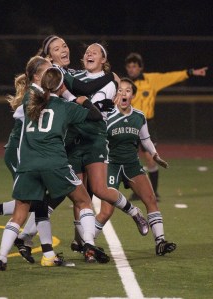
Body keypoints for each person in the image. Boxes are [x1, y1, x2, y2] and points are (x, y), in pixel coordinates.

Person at [0, 66, 110, 271]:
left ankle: (1, 258)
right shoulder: (64, 107)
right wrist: (77, 98)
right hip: (54, 164)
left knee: (19, 214)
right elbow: (96, 117)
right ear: (60, 84)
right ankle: (89, 243)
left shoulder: (30, 101)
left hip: (28, 165)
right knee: (83, 201)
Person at [58, 42, 149, 252]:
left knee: (99, 189)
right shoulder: (77, 76)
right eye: (87, 52)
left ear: (103, 60)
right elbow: (70, 82)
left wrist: (73, 98)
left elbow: (94, 110)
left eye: (95, 52)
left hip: (94, 138)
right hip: (73, 139)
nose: (89, 54)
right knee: (80, 194)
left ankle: (133, 212)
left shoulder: (108, 84)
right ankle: (82, 241)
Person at [95, 77, 176, 255]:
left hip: (132, 164)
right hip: (112, 165)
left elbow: (145, 140)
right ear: (116, 94)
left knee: (151, 200)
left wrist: (155, 155)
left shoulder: (139, 116)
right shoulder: (107, 115)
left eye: (128, 91)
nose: (124, 93)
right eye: (120, 90)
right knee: (106, 211)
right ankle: (88, 243)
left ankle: (160, 242)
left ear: (133, 95)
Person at [125, 52, 208, 201]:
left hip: (146, 124)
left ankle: (154, 192)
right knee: (130, 159)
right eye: (129, 66)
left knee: (150, 158)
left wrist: (190, 73)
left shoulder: (152, 80)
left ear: (140, 68)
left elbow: (171, 76)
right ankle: (137, 191)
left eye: (134, 66)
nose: (132, 69)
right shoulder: (124, 84)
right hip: (129, 123)